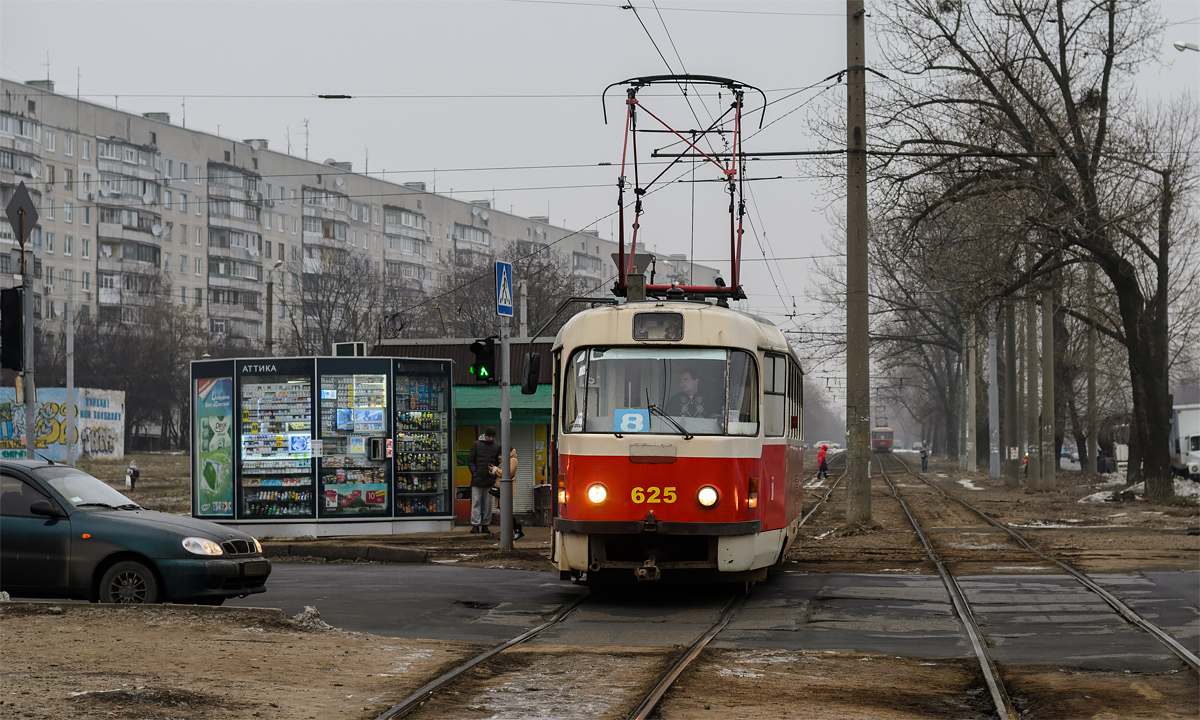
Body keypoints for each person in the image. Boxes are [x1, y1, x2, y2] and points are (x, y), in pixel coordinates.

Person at [467, 427, 501, 534]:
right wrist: (475, 472)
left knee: (486, 503)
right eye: (490, 436)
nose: (491, 438)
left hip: (486, 479)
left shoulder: (480, 445)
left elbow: (471, 461)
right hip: (480, 478)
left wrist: (474, 472)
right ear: (485, 435)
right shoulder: (477, 445)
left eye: (492, 437)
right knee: (479, 502)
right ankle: (478, 525)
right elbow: (470, 461)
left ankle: (482, 525)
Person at [490, 448, 524, 541]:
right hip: (502, 489)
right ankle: (509, 532)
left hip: (507, 489)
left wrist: (495, 469)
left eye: (500, 453)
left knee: (506, 511)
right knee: (504, 511)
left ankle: (517, 530)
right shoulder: (505, 461)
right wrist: (493, 470)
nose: (499, 456)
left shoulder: (513, 460)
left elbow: (507, 473)